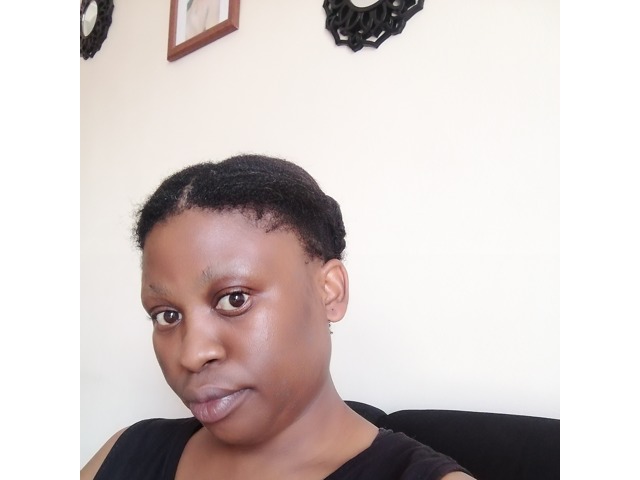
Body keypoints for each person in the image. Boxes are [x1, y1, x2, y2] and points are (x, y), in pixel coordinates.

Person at [80, 154, 475, 480]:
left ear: (330, 291)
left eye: (234, 299)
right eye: (167, 315)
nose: (192, 355)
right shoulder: (125, 452)